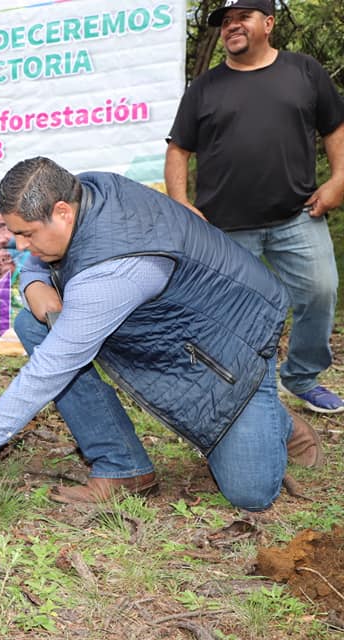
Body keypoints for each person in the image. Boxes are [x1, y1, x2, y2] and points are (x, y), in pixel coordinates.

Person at [0, 157, 323, 511]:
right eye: (16, 234)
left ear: (62, 211)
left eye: (27, 234)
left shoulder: (111, 273)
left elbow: (47, 374)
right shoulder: (85, 190)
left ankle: (277, 421)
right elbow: (38, 261)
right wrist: (33, 282)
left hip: (235, 340)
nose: (21, 245)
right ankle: (123, 466)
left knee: (249, 492)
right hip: (171, 325)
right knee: (36, 323)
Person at [165, 0, 344, 413]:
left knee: (320, 292)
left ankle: (300, 377)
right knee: (225, 315)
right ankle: (235, 392)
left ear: (268, 23)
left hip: (297, 216)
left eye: (242, 17)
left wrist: (337, 181)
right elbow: (178, 150)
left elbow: (335, 128)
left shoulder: (304, 71)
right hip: (224, 227)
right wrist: (180, 203)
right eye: (225, 21)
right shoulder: (205, 87)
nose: (232, 26)